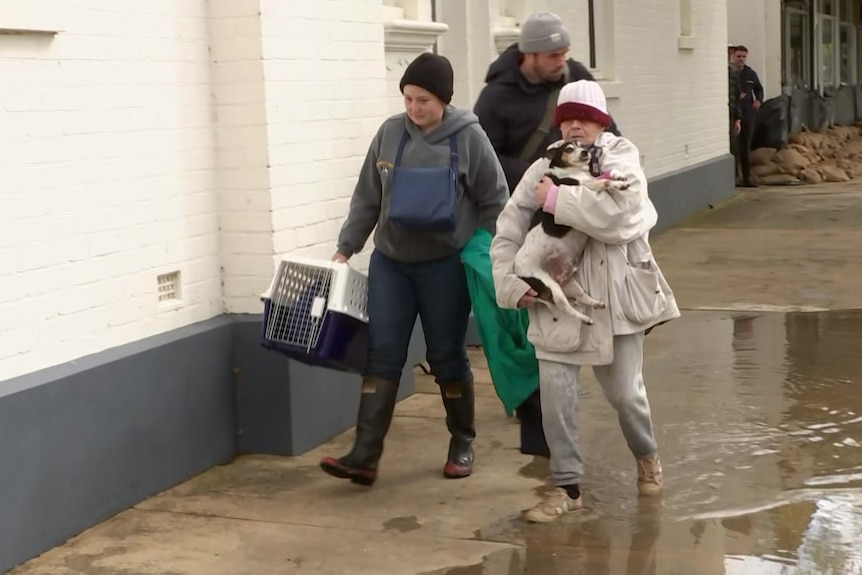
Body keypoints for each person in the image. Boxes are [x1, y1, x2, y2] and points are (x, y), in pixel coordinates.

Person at [490, 79, 680, 523]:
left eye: (585, 118)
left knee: (626, 395)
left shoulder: (622, 159)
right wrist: (511, 283)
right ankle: (566, 489)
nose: (575, 126)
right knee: (556, 398)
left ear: (601, 122)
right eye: (568, 119)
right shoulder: (543, 166)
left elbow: (623, 217)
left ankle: (646, 456)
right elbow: (508, 230)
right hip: (555, 302)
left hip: (615, 299)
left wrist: (557, 199)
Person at [319, 53, 510, 487]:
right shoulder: (388, 134)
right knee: (382, 353)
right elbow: (367, 196)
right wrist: (345, 247)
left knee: (445, 355)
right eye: (407, 98)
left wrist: (484, 251)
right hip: (392, 263)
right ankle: (364, 455)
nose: (414, 108)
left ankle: (462, 440)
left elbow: (496, 200)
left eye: (423, 99)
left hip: (444, 265)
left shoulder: (468, 139)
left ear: (443, 99)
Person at [474, 11, 621, 460]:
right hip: (521, 219)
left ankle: (550, 435)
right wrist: (541, 178)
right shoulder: (495, 98)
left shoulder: (575, 79)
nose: (563, 61)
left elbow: (609, 135)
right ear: (529, 55)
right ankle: (540, 434)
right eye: (553, 54)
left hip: (572, 220)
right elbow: (485, 161)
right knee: (526, 324)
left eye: (565, 53)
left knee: (565, 324)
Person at [730, 45, 763, 187]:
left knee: (745, 146)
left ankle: (747, 177)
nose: (741, 59)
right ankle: (734, 177)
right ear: (733, 56)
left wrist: (758, 100)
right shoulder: (730, 73)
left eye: (743, 57)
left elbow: (759, 89)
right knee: (734, 147)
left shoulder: (750, 74)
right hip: (734, 114)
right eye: (738, 56)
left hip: (748, 114)